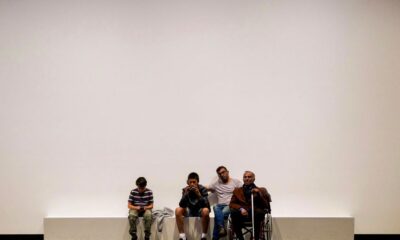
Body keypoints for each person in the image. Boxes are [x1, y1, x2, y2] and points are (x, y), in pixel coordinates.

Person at [229, 171, 270, 240]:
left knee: (259, 213)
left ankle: (256, 238)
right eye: (245, 177)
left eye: (249, 177)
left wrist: (259, 194)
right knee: (233, 213)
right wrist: (241, 209)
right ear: (243, 179)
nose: (247, 178)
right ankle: (240, 238)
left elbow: (265, 205)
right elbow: (232, 203)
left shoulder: (262, 190)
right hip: (242, 214)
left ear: (254, 179)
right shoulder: (237, 191)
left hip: (256, 213)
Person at [207, 166, 242, 240]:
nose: (222, 174)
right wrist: (195, 186)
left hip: (230, 205)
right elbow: (207, 188)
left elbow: (243, 191)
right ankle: (222, 229)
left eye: (223, 172)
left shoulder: (236, 182)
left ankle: (215, 237)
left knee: (220, 214)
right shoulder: (216, 183)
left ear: (227, 172)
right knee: (215, 206)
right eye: (219, 174)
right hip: (220, 205)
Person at [176, 172, 210, 240]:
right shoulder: (185, 189)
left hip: (200, 210)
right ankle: (182, 236)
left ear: (198, 182)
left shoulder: (203, 189)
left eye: (194, 182)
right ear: (187, 182)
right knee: (178, 210)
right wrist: (185, 194)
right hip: (189, 211)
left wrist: (199, 194)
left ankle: (204, 236)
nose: (192, 184)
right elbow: (181, 205)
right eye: (190, 182)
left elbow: (206, 205)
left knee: (206, 210)